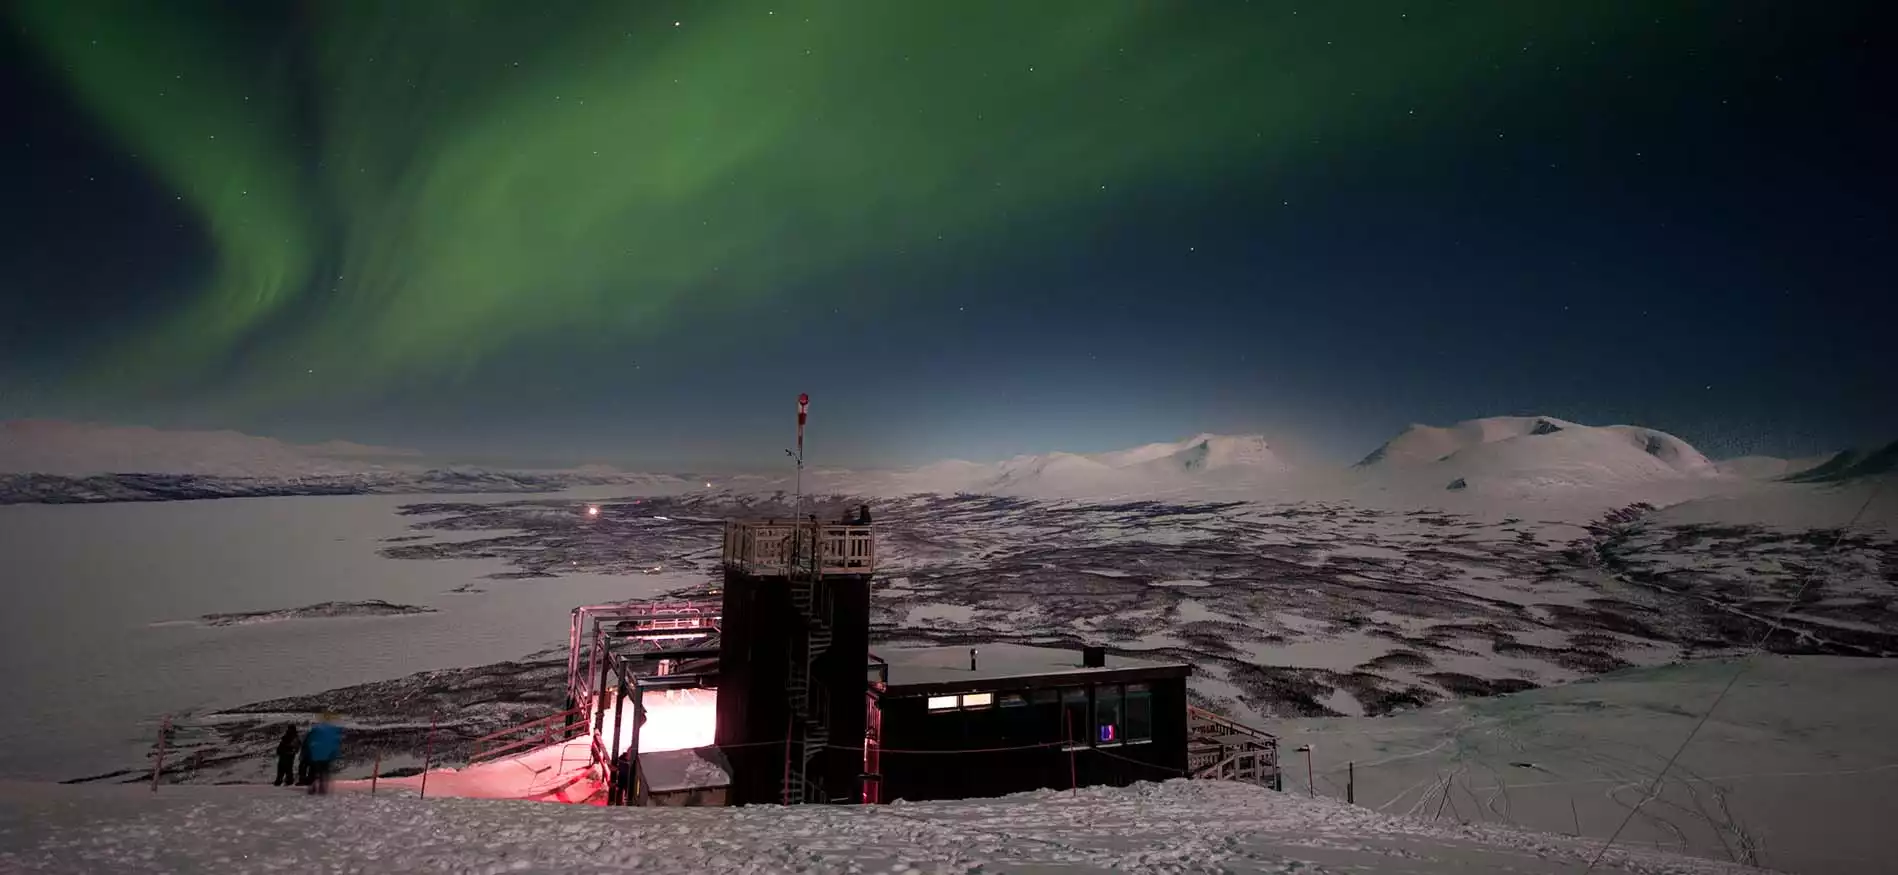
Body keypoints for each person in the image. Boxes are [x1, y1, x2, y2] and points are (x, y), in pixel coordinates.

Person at [304, 712, 343, 795]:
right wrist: (334, 753)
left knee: (313, 772)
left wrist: (307, 752)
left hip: (315, 754)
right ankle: (322, 788)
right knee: (323, 772)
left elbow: (309, 740)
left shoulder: (316, 729)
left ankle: (312, 787)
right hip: (326, 755)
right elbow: (335, 744)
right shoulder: (334, 731)